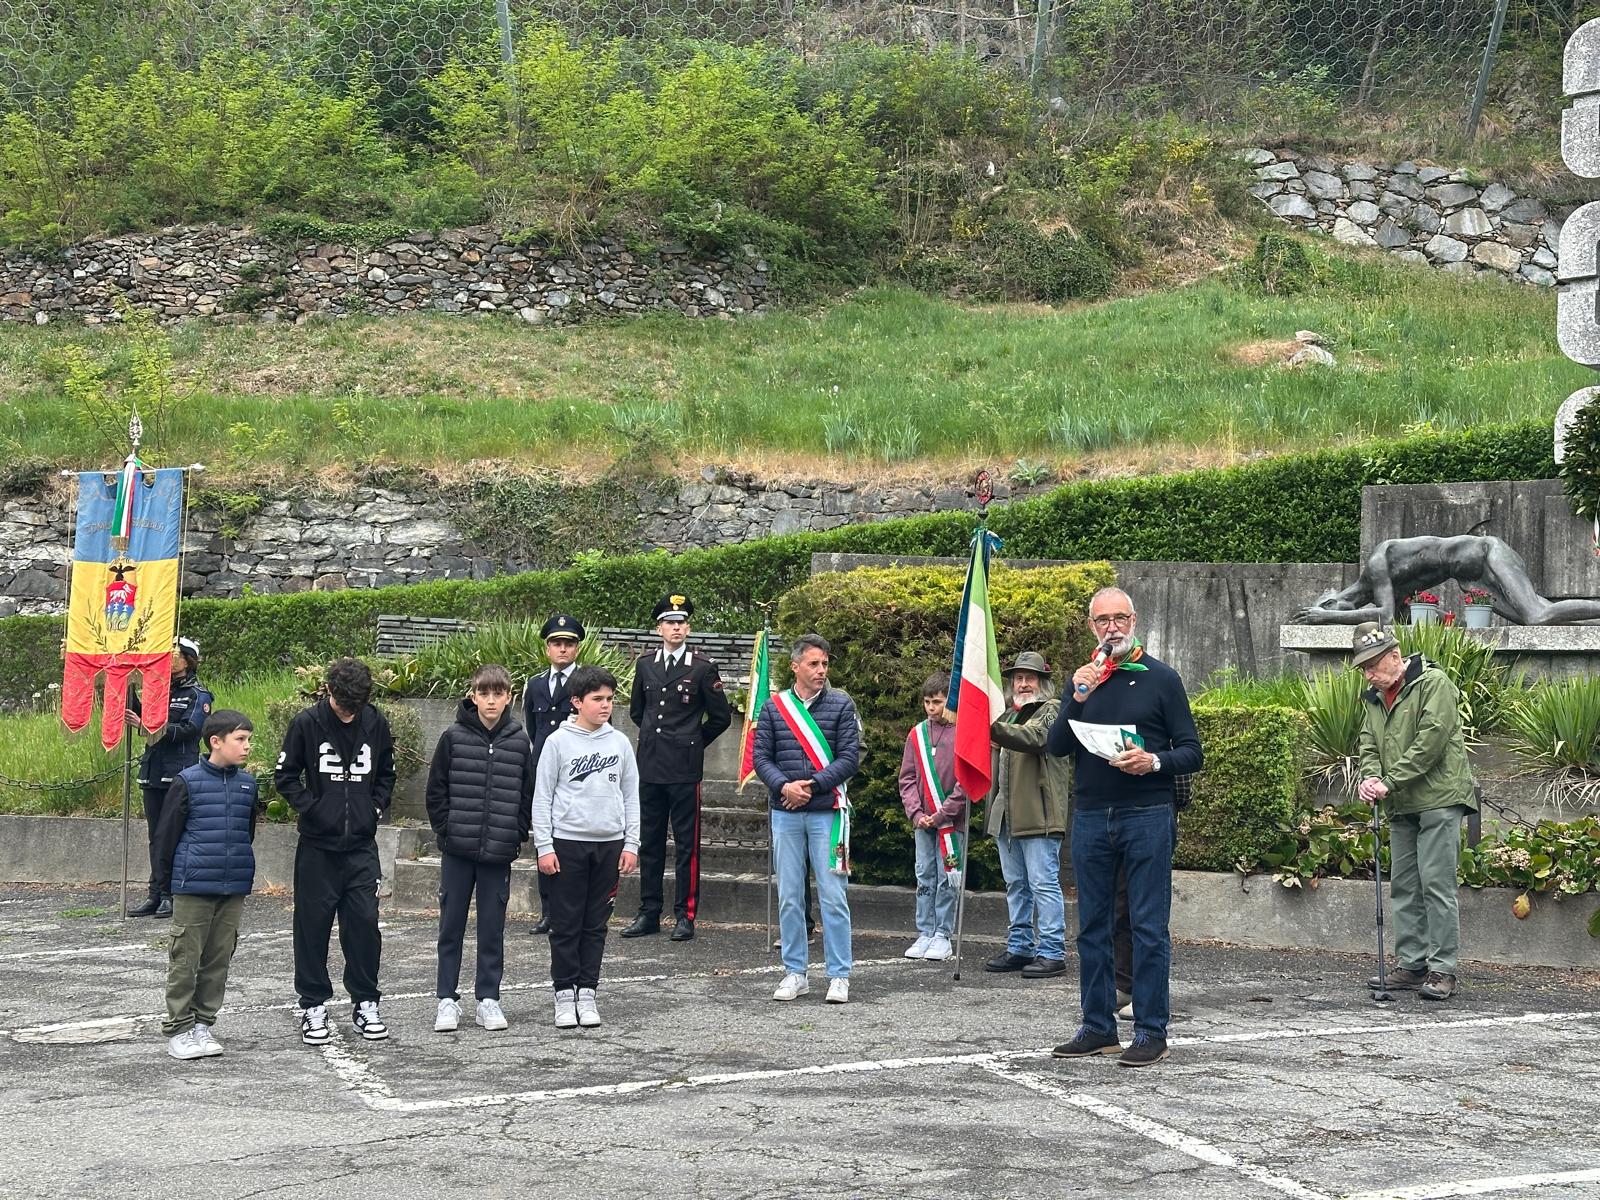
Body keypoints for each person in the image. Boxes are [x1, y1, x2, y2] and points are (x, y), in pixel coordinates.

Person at [1047, 588, 1202, 1068]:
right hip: (1092, 815)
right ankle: (1098, 1027)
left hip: (1147, 814)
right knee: (1092, 927)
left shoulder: (1161, 678)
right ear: (1092, 627)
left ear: (1134, 620)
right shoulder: (1085, 682)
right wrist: (1075, 694)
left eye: (1119, 618)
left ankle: (1152, 1031)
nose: (1111, 627)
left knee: (1147, 926)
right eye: (1101, 620)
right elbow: (1054, 746)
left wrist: (1154, 760)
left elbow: (1192, 752)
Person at [274, 657, 397, 1046]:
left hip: (361, 847)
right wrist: (315, 808)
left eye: (356, 707)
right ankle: (313, 1005)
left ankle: (365, 1002)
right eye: (344, 705)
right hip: (317, 848)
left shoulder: (375, 722)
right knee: (312, 928)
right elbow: (286, 776)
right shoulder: (306, 724)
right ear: (328, 691)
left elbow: (387, 774)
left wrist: (373, 807)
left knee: (363, 924)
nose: (350, 713)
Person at [1352, 621, 1476, 1002]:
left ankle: (1443, 970)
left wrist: (1390, 781)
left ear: (1395, 656)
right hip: (1401, 802)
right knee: (1405, 884)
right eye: (1364, 668)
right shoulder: (1373, 699)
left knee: (1436, 883)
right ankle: (1412, 964)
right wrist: (1370, 779)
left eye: (1374, 664)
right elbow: (1368, 744)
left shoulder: (1433, 683)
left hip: (1439, 798)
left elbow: (1431, 741)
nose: (1370, 674)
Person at [427, 664, 536, 1034]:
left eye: (498, 693)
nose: (491, 700)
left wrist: (516, 833)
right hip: (457, 851)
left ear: (509, 697)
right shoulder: (453, 737)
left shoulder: (520, 742)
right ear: (473, 696)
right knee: (450, 926)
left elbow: (527, 796)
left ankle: (488, 999)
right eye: (484, 693)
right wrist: (446, 831)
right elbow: (436, 792)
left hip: (498, 853)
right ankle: (447, 1000)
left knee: (492, 928)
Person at [753, 634, 860, 1004]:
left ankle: (839, 974)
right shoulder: (773, 708)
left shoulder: (841, 705)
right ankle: (795, 972)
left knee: (833, 896)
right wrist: (785, 787)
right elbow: (760, 758)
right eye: (813, 664)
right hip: (785, 812)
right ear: (795, 666)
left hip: (826, 812)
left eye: (825, 664)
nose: (821, 670)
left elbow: (849, 758)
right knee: (790, 896)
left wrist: (811, 786)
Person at [533, 665, 640, 1030]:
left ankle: (587, 991)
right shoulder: (557, 742)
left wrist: (632, 843)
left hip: (609, 846)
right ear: (577, 702)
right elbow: (542, 796)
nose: (606, 705)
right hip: (567, 845)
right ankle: (564, 994)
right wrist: (544, 846)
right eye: (597, 699)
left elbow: (631, 798)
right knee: (565, 924)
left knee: (596, 925)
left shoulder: (620, 743)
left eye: (610, 699)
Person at [623, 594, 733, 943]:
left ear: (688, 627)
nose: (676, 627)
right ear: (659, 628)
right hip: (651, 765)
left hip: (684, 767)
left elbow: (721, 717)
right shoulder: (645, 664)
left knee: (687, 845)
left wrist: (693, 740)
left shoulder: (702, 667)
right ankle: (648, 912)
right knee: (649, 843)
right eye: (670, 623)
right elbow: (637, 712)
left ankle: (685, 915)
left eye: (681, 622)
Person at [152, 709, 260, 1060]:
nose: (247, 747)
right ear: (216, 741)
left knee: (218, 960)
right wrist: (165, 885)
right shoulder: (188, 781)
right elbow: (166, 836)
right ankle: (179, 1029)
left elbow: (247, 834)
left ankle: (203, 1025)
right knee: (185, 959)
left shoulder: (248, 784)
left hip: (233, 886)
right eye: (240, 739)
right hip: (193, 886)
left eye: (248, 739)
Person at [983, 652, 1072, 979]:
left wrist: (991, 728)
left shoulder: (1052, 710)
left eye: (1029, 678)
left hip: (1040, 814)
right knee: (1016, 884)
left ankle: (1052, 951)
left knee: (1042, 883)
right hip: (1006, 815)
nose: (1022, 683)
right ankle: (1020, 946)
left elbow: (1037, 738)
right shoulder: (1008, 715)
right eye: (1017, 678)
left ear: (1042, 682)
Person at [128, 637, 213, 918]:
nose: (169, 659)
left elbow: (190, 731)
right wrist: (127, 686)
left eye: (175, 654)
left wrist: (147, 727)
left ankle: (171, 894)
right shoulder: (158, 690)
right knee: (155, 835)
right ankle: (155, 893)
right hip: (153, 769)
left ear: (188, 659)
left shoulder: (198, 694)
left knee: (172, 834)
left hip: (178, 772)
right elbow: (143, 715)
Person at [522, 613, 585, 936]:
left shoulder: (584, 684)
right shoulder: (534, 685)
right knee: (544, 843)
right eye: (557, 643)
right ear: (547, 649)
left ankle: (568, 911)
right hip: (543, 773)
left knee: (572, 843)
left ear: (576, 648)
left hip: (575, 774)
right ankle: (548, 911)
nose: (562, 649)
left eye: (568, 644)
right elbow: (534, 730)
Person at [897, 672, 966, 963]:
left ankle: (943, 934)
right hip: (922, 822)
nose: (931, 708)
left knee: (948, 878)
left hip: (951, 823)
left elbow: (965, 784)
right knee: (924, 874)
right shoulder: (917, 734)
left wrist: (942, 814)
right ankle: (925, 930)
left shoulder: (962, 733)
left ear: (948, 703)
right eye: (927, 702)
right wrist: (916, 812)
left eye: (936, 702)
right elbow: (907, 778)